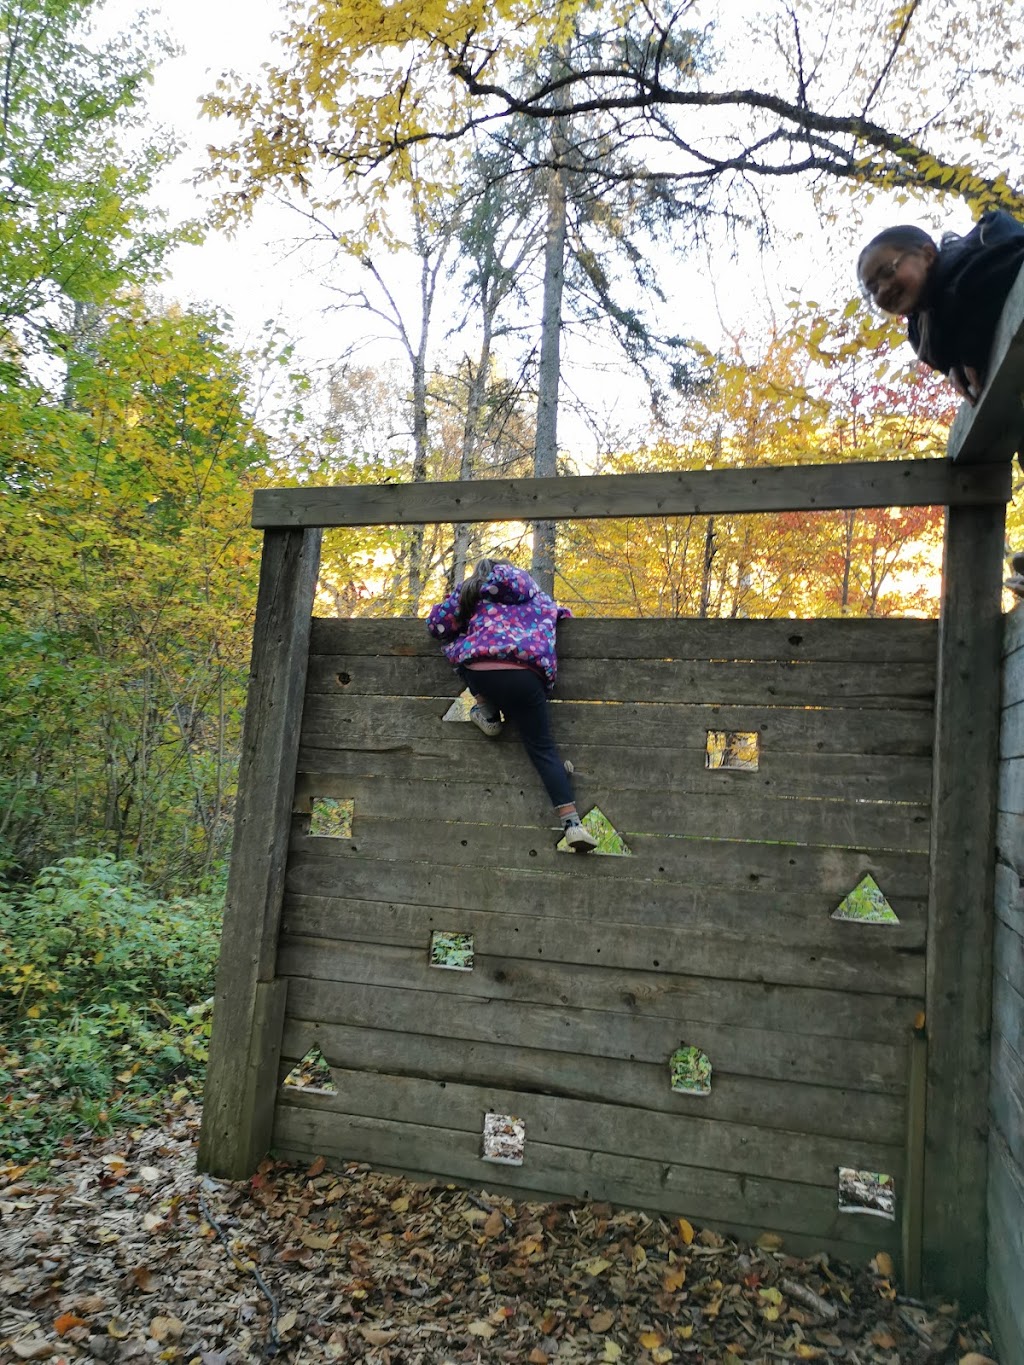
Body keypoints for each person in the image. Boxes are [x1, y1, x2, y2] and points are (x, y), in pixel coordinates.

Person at [857, 210, 1024, 591]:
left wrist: (968, 345)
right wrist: (955, 361)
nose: (881, 290)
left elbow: (1002, 268)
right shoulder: (926, 332)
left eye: (888, 270)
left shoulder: (976, 252)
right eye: (871, 288)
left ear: (928, 254)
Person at [426, 557, 598, 853]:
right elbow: (562, 614)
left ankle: (486, 710)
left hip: (482, 674)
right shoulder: (538, 597)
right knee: (542, 749)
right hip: (526, 679)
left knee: (463, 652)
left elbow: (437, 626)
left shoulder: (472, 589)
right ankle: (572, 825)